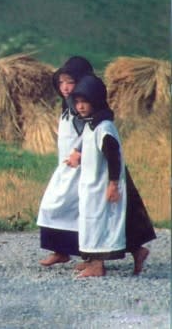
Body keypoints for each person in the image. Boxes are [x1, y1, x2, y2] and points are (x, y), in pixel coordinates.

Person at [37, 56, 93, 267]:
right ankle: (60, 250)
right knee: (57, 207)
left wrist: (79, 152)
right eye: (61, 82)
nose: (65, 87)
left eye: (70, 82)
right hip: (67, 166)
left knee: (68, 207)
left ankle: (91, 256)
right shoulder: (68, 105)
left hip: (81, 166)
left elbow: (92, 133)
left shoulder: (85, 107)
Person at [70, 74, 127, 278]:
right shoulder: (90, 124)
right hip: (90, 185)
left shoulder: (104, 127)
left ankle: (98, 265)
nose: (81, 106)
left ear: (96, 101)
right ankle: (91, 260)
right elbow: (88, 146)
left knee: (98, 223)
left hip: (101, 185)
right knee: (89, 222)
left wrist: (113, 184)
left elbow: (113, 157)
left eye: (85, 101)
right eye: (77, 102)